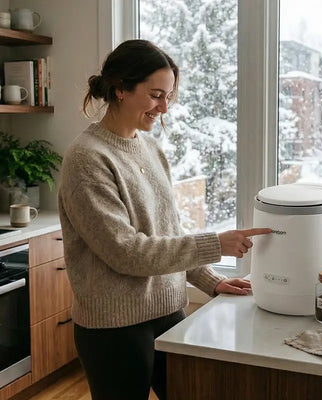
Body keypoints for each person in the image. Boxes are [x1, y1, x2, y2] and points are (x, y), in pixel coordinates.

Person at [58, 39, 271, 400]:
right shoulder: (87, 159)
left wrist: (209, 280)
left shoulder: (150, 147)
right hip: (114, 329)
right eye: (156, 95)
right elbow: (127, 252)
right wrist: (214, 244)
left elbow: (167, 234)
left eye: (169, 96)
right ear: (121, 88)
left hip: (168, 312)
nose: (165, 108)